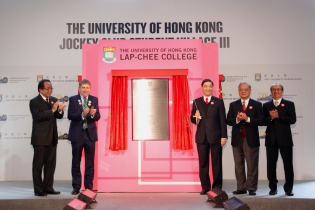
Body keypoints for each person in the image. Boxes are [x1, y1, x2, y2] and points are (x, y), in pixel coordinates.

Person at [29, 79, 66, 196]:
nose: (50, 90)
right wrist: (53, 110)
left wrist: (59, 111)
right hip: (40, 138)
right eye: (47, 88)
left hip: (52, 138)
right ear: (40, 90)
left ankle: (48, 187)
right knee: (38, 165)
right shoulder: (34, 102)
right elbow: (37, 116)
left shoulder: (54, 100)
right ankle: (38, 189)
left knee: (50, 165)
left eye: (51, 88)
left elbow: (58, 117)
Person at [190, 79, 227, 195]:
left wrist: (223, 136)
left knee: (217, 163)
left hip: (215, 137)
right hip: (201, 138)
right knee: (203, 163)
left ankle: (217, 188)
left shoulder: (219, 102)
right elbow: (192, 119)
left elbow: (222, 120)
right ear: (202, 87)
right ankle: (205, 187)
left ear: (212, 88)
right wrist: (196, 118)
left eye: (210, 86)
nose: (208, 88)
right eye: (205, 86)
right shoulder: (196, 102)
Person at [226, 82, 263, 196]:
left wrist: (248, 119)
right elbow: (228, 120)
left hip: (250, 139)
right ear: (238, 91)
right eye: (241, 89)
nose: (243, 91)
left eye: (246, 89)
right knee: (239, 164)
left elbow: (261, 121)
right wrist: (237, 120)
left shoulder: (257, 104)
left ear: (250, 90)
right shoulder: (233, 104)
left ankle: (251, 187)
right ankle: (241, 187)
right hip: (237, 139)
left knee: (252, 165)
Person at [263, 82, 296, 196]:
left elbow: (292, 119)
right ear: (271, 92)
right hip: (271, 139)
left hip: (285, 139)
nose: (276, 91)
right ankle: (273, 188)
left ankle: (289, 188)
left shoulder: (289, 104)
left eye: (278, 89)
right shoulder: (266, 105)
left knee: (288, 165)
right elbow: (263, 121)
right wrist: (271, 118)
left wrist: (279, 117)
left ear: (282, 91)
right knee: (271, 165)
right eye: (273, 89)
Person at [68, 79, 100, 195]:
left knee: (90, 163)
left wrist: (92, 114)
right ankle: (76, 187)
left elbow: (98, 116)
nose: (85, 90)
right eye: (83, 87)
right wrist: (82, 114)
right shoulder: (72, 99)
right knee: (76, 161)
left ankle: (88, 187)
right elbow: (70, 115)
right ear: (79, 89)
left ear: (90, 89)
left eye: (87, 88)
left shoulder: (94, 99)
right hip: (77, 135)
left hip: (90, 135)